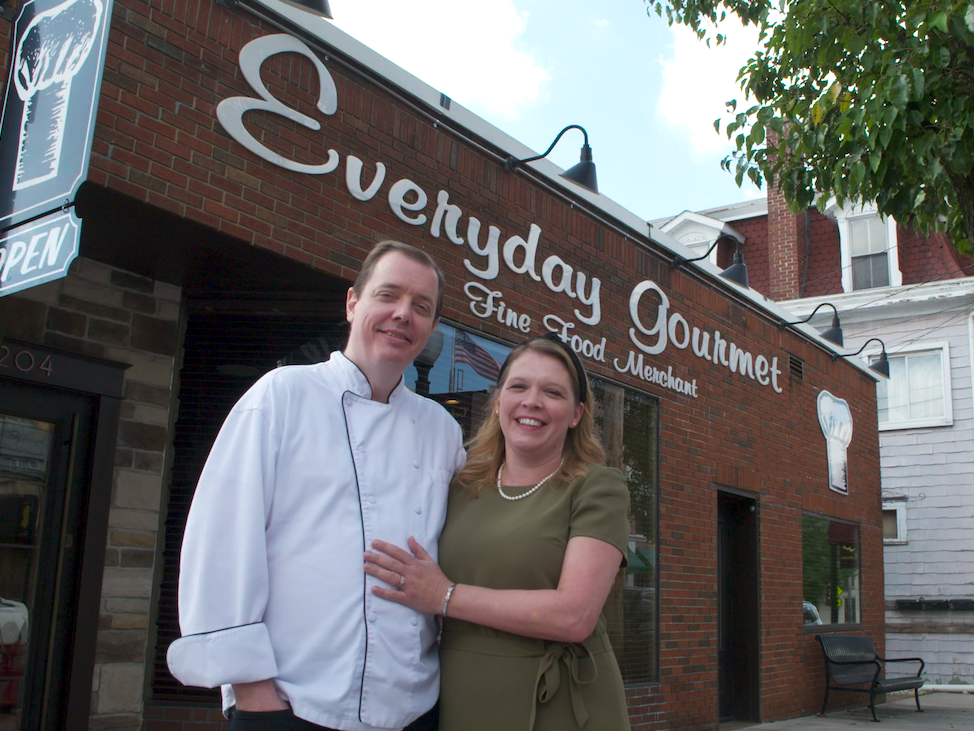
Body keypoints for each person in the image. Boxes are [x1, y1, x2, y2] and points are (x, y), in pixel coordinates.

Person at [168, 240, 465, 731]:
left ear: (432, 328)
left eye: (421, 307)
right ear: (353, 303)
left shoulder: (442, 429)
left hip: (412, 707)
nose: (402, 315)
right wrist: (254, 693)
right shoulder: (282, 395)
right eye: (388, 295)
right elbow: (221, 543)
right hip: (292, 705)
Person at [364, 334, 631, 731]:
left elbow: (575, 616)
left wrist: (443, 595)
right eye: (518, 386)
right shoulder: (459, 486)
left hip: (561, 705)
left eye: (553, 392)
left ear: (576, 414)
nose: (532, 401)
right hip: (460, 697)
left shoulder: (598, 487)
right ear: (498, 401)